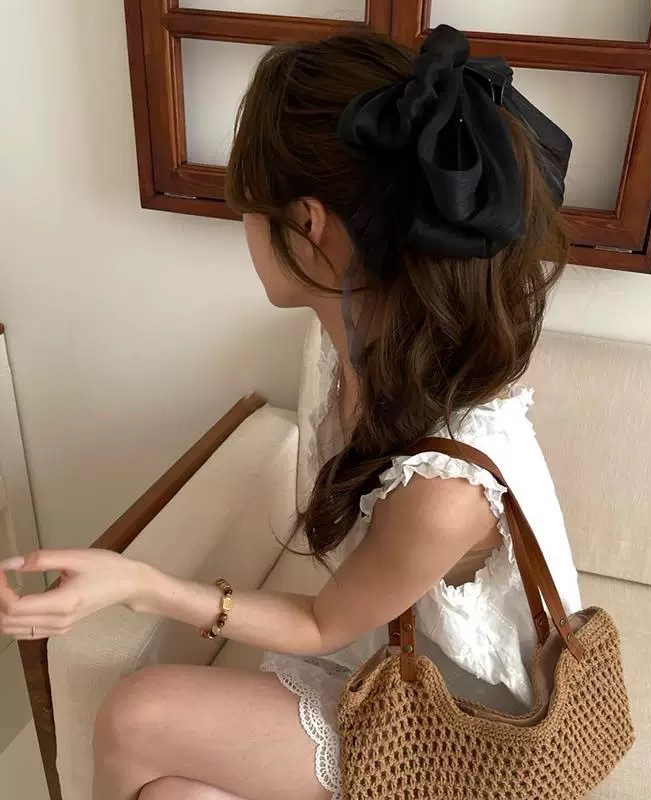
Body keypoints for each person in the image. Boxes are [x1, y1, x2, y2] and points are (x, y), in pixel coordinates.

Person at [0, 25, 582, 800]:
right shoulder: (358, 354)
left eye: (245, 207)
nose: (241, 229)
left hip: (469, 740)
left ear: (308, 226)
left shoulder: (444, 485)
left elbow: (322, 624)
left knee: (139, 717)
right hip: (390, 661)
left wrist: (139, 584)